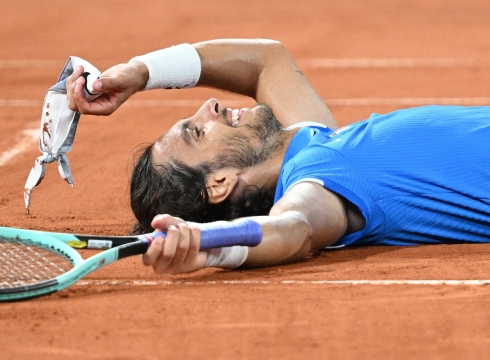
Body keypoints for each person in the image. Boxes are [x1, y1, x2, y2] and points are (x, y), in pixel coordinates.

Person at [65, 39, 490, 275]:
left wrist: (140, 72)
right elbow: (294, 229)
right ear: (219, 184)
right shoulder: (315, 184)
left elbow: (266, 61)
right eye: (196, 131)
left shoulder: (311, 139)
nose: (208, 105)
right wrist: (210, 244)